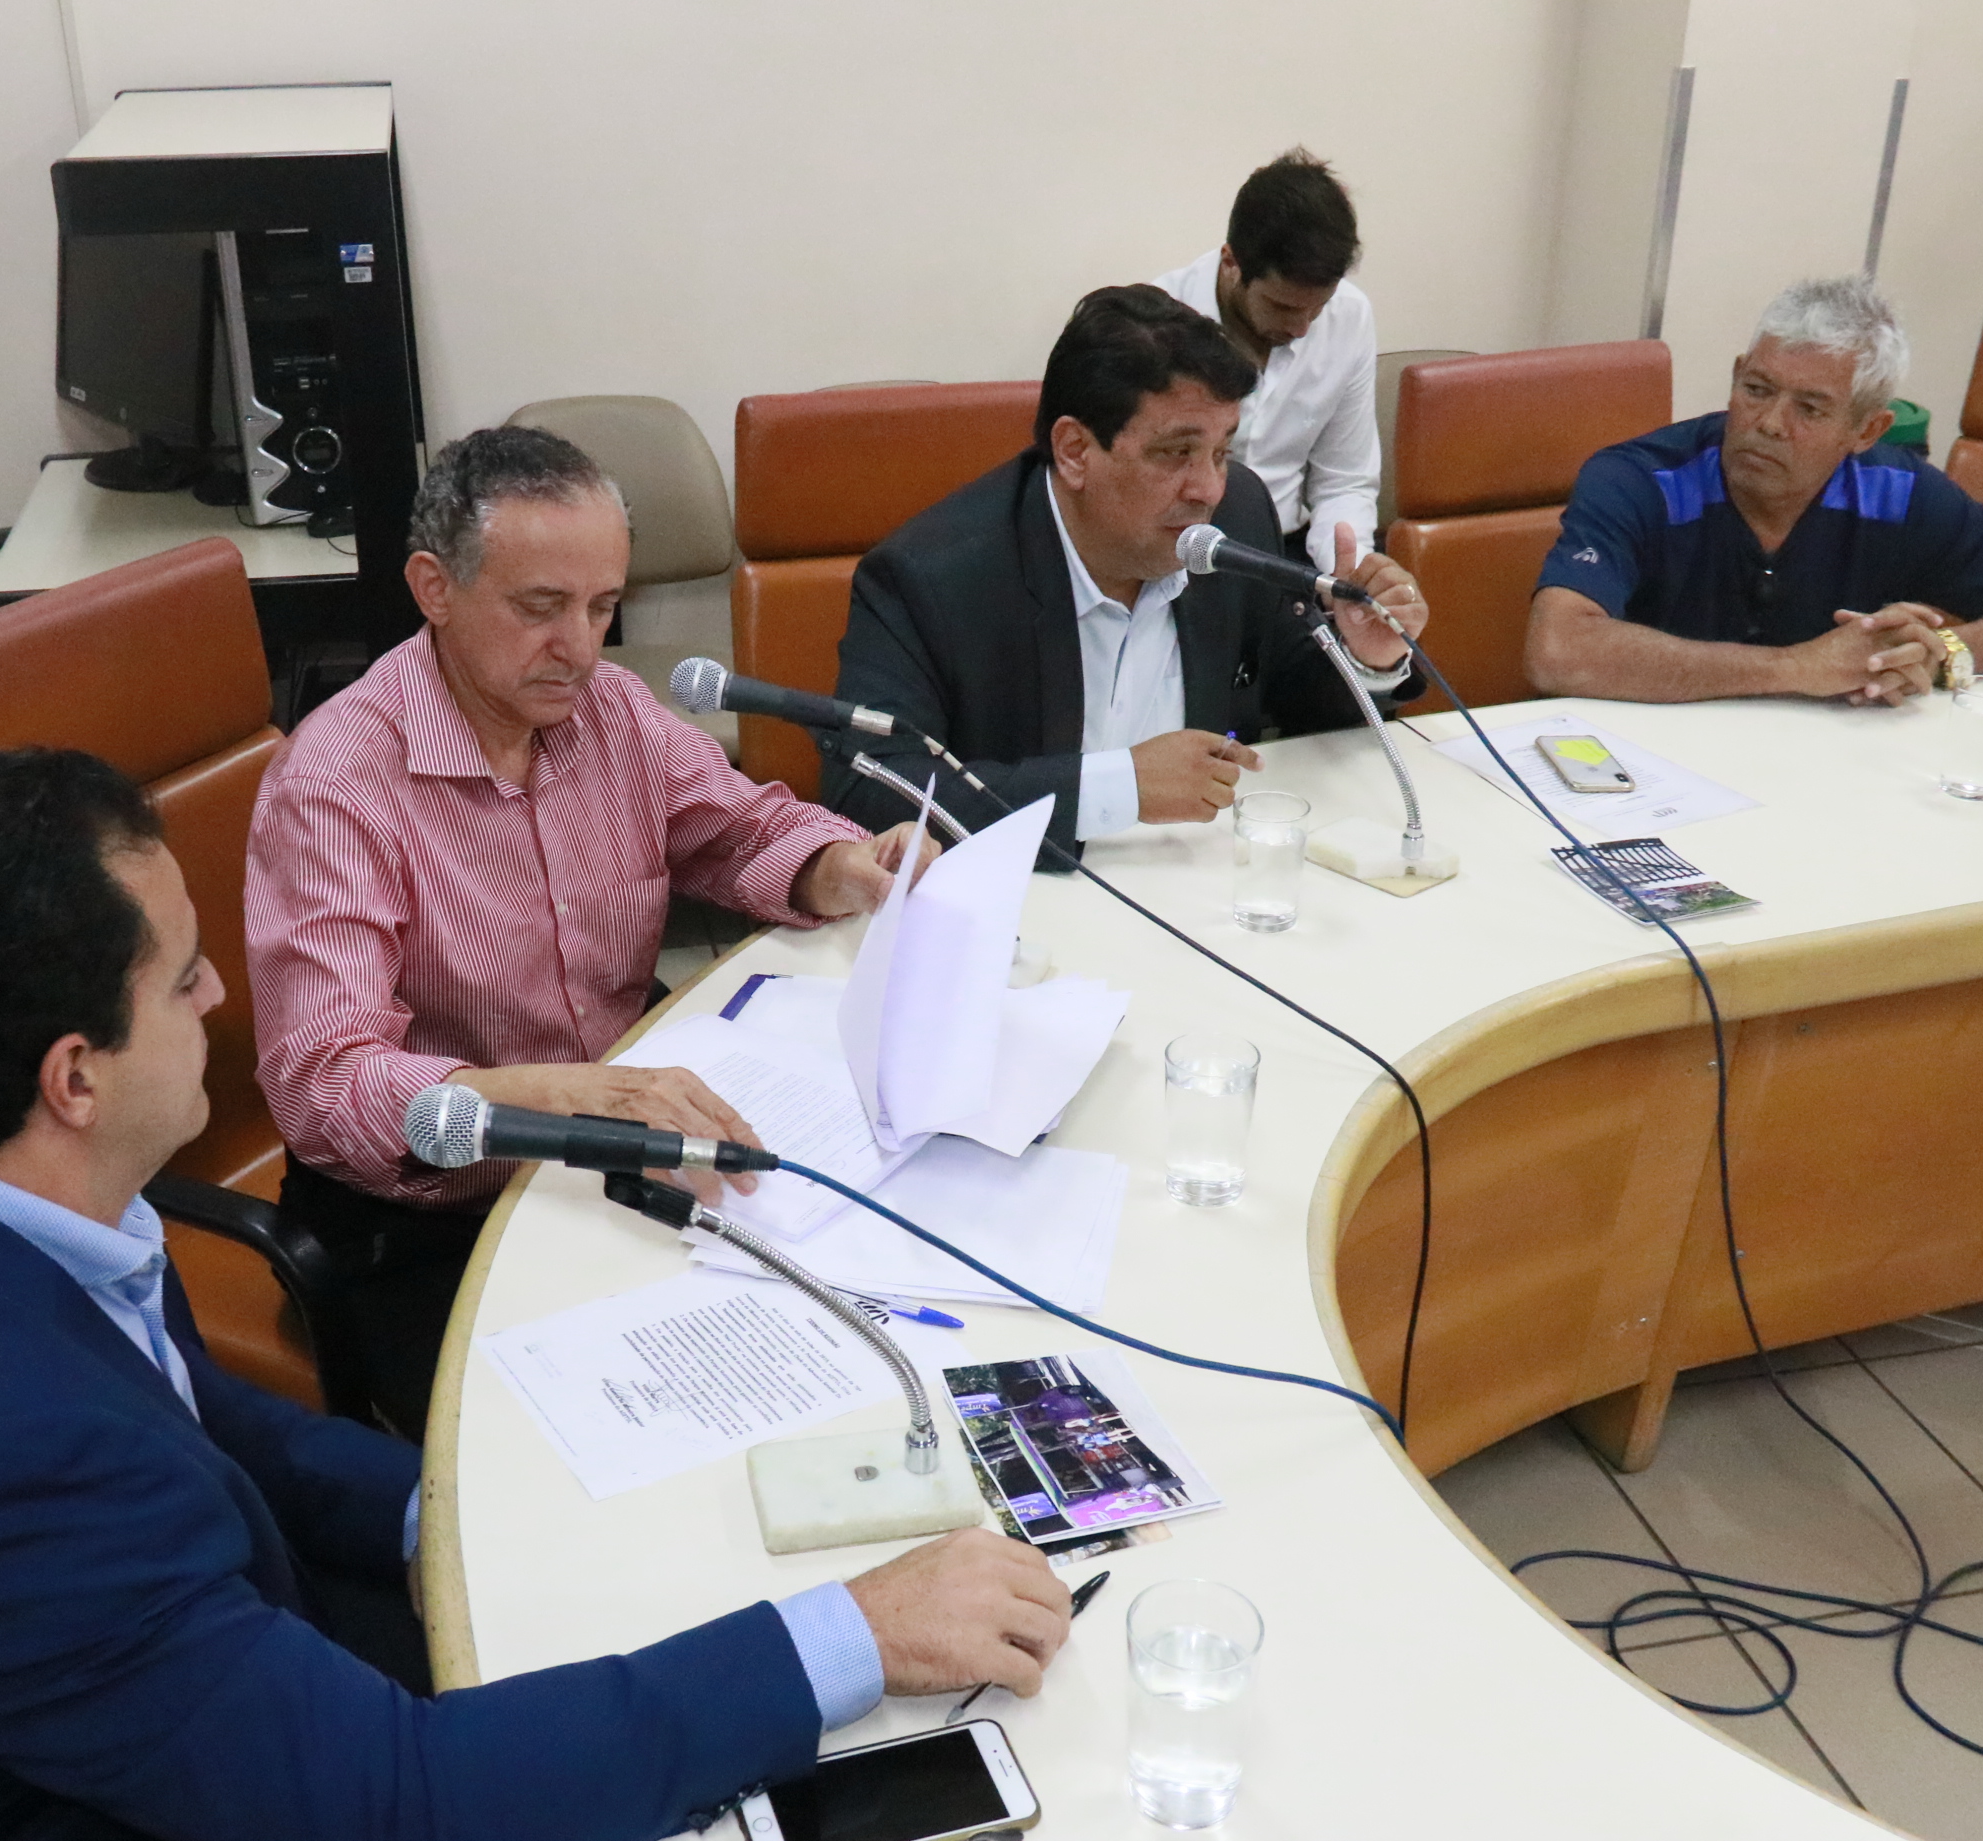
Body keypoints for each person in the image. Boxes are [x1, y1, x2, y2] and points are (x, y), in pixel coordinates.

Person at [0, 746, 1071, 1841]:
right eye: (183, 976)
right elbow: (407, 1822)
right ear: (73, 1077)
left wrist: (455, 1510)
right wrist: (859, 1633)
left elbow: (199, 1420)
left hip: (109, 1742)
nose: (218, 995)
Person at [246, 427, 930, 1435]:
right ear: (434, 588)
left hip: (616, 1158)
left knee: (828, 1363)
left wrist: (841, 865)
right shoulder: (337, 785)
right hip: (433, 1218)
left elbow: (740, 831)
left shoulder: (610, 709)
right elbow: (325, 1083)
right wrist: (571, 1096)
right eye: (540, 608)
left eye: (603, 606)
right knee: (612, 1439)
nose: (582, 646)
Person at [824, 285, 1429, 863]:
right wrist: (1119, 787)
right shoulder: (930, 577)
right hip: (1026, 900)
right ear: (1075, 451)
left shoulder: (1238, 517)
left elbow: (1296, 696)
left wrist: (1364, 658)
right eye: (1176, 452)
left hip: (1199, 879)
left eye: (1221, 452)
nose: (1208, 488)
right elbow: (871, 791)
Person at [1524, 274, 1983, 705]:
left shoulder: (1898, 493)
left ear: (1867, 430)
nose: (1769, 423)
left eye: (1809, 408)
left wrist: (1940, 653)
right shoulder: (1638, 480)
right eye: (1757, 389)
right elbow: (1557, 650)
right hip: (1648, 765)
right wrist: (1796, 668)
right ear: (1736, 375)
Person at [1153, 146, 1383, 570]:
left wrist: (1348, 573)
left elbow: (1344, 482)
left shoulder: (1350, 316)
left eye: (1319, 307)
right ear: (1231, 263)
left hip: (1288, 552)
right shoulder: (1157, 325)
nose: (1302, 328)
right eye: (1282, 307)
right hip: (1179, 554)